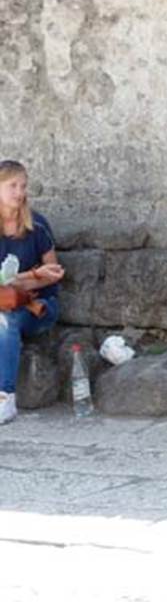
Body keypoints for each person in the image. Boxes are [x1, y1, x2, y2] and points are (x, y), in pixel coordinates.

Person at [0, 160, 64, 424]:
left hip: (38, 306)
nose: (19, 192)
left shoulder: (36, 225)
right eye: (12, 185)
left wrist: (21, 283)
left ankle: (5, 399)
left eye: (23, 186)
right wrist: (31, 276)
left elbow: (53, 273)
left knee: (4, 322)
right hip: (4, 302)